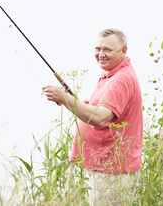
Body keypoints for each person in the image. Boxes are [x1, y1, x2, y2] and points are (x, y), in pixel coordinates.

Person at [42, 28, 143, 205]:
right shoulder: (113, 74)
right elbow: (102, 111)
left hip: (111, 170)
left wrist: (64, 98)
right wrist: (72, 102)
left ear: (123, 51)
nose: (101, 54)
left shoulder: (119, 80)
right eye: (98, 49)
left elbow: (100, 117)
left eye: (107, 50)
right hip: (106, 166)